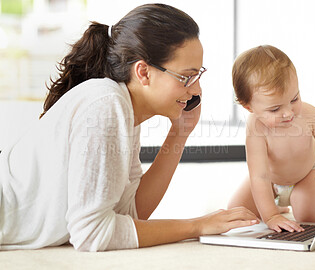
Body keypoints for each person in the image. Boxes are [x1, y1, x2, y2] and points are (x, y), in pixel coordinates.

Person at [0, 4, 259, 252]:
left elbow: (130, 212)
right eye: (186, 77)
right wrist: (196, 226)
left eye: (198, 76)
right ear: (144, 72)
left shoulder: (124, 108)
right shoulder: (106, 105)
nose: (197, 90)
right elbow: (93, 234)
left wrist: (180, 132)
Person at [228, 45, 315, 233]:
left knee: (308, 218)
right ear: (248, 106)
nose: (288, 113)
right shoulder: (255, 128)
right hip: (270, 181)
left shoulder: (309, 115)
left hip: (308, 175)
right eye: (275, 109)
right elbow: (259, 176)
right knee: (236, 212)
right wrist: (271, 216)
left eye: (294, 99)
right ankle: (277, 205)